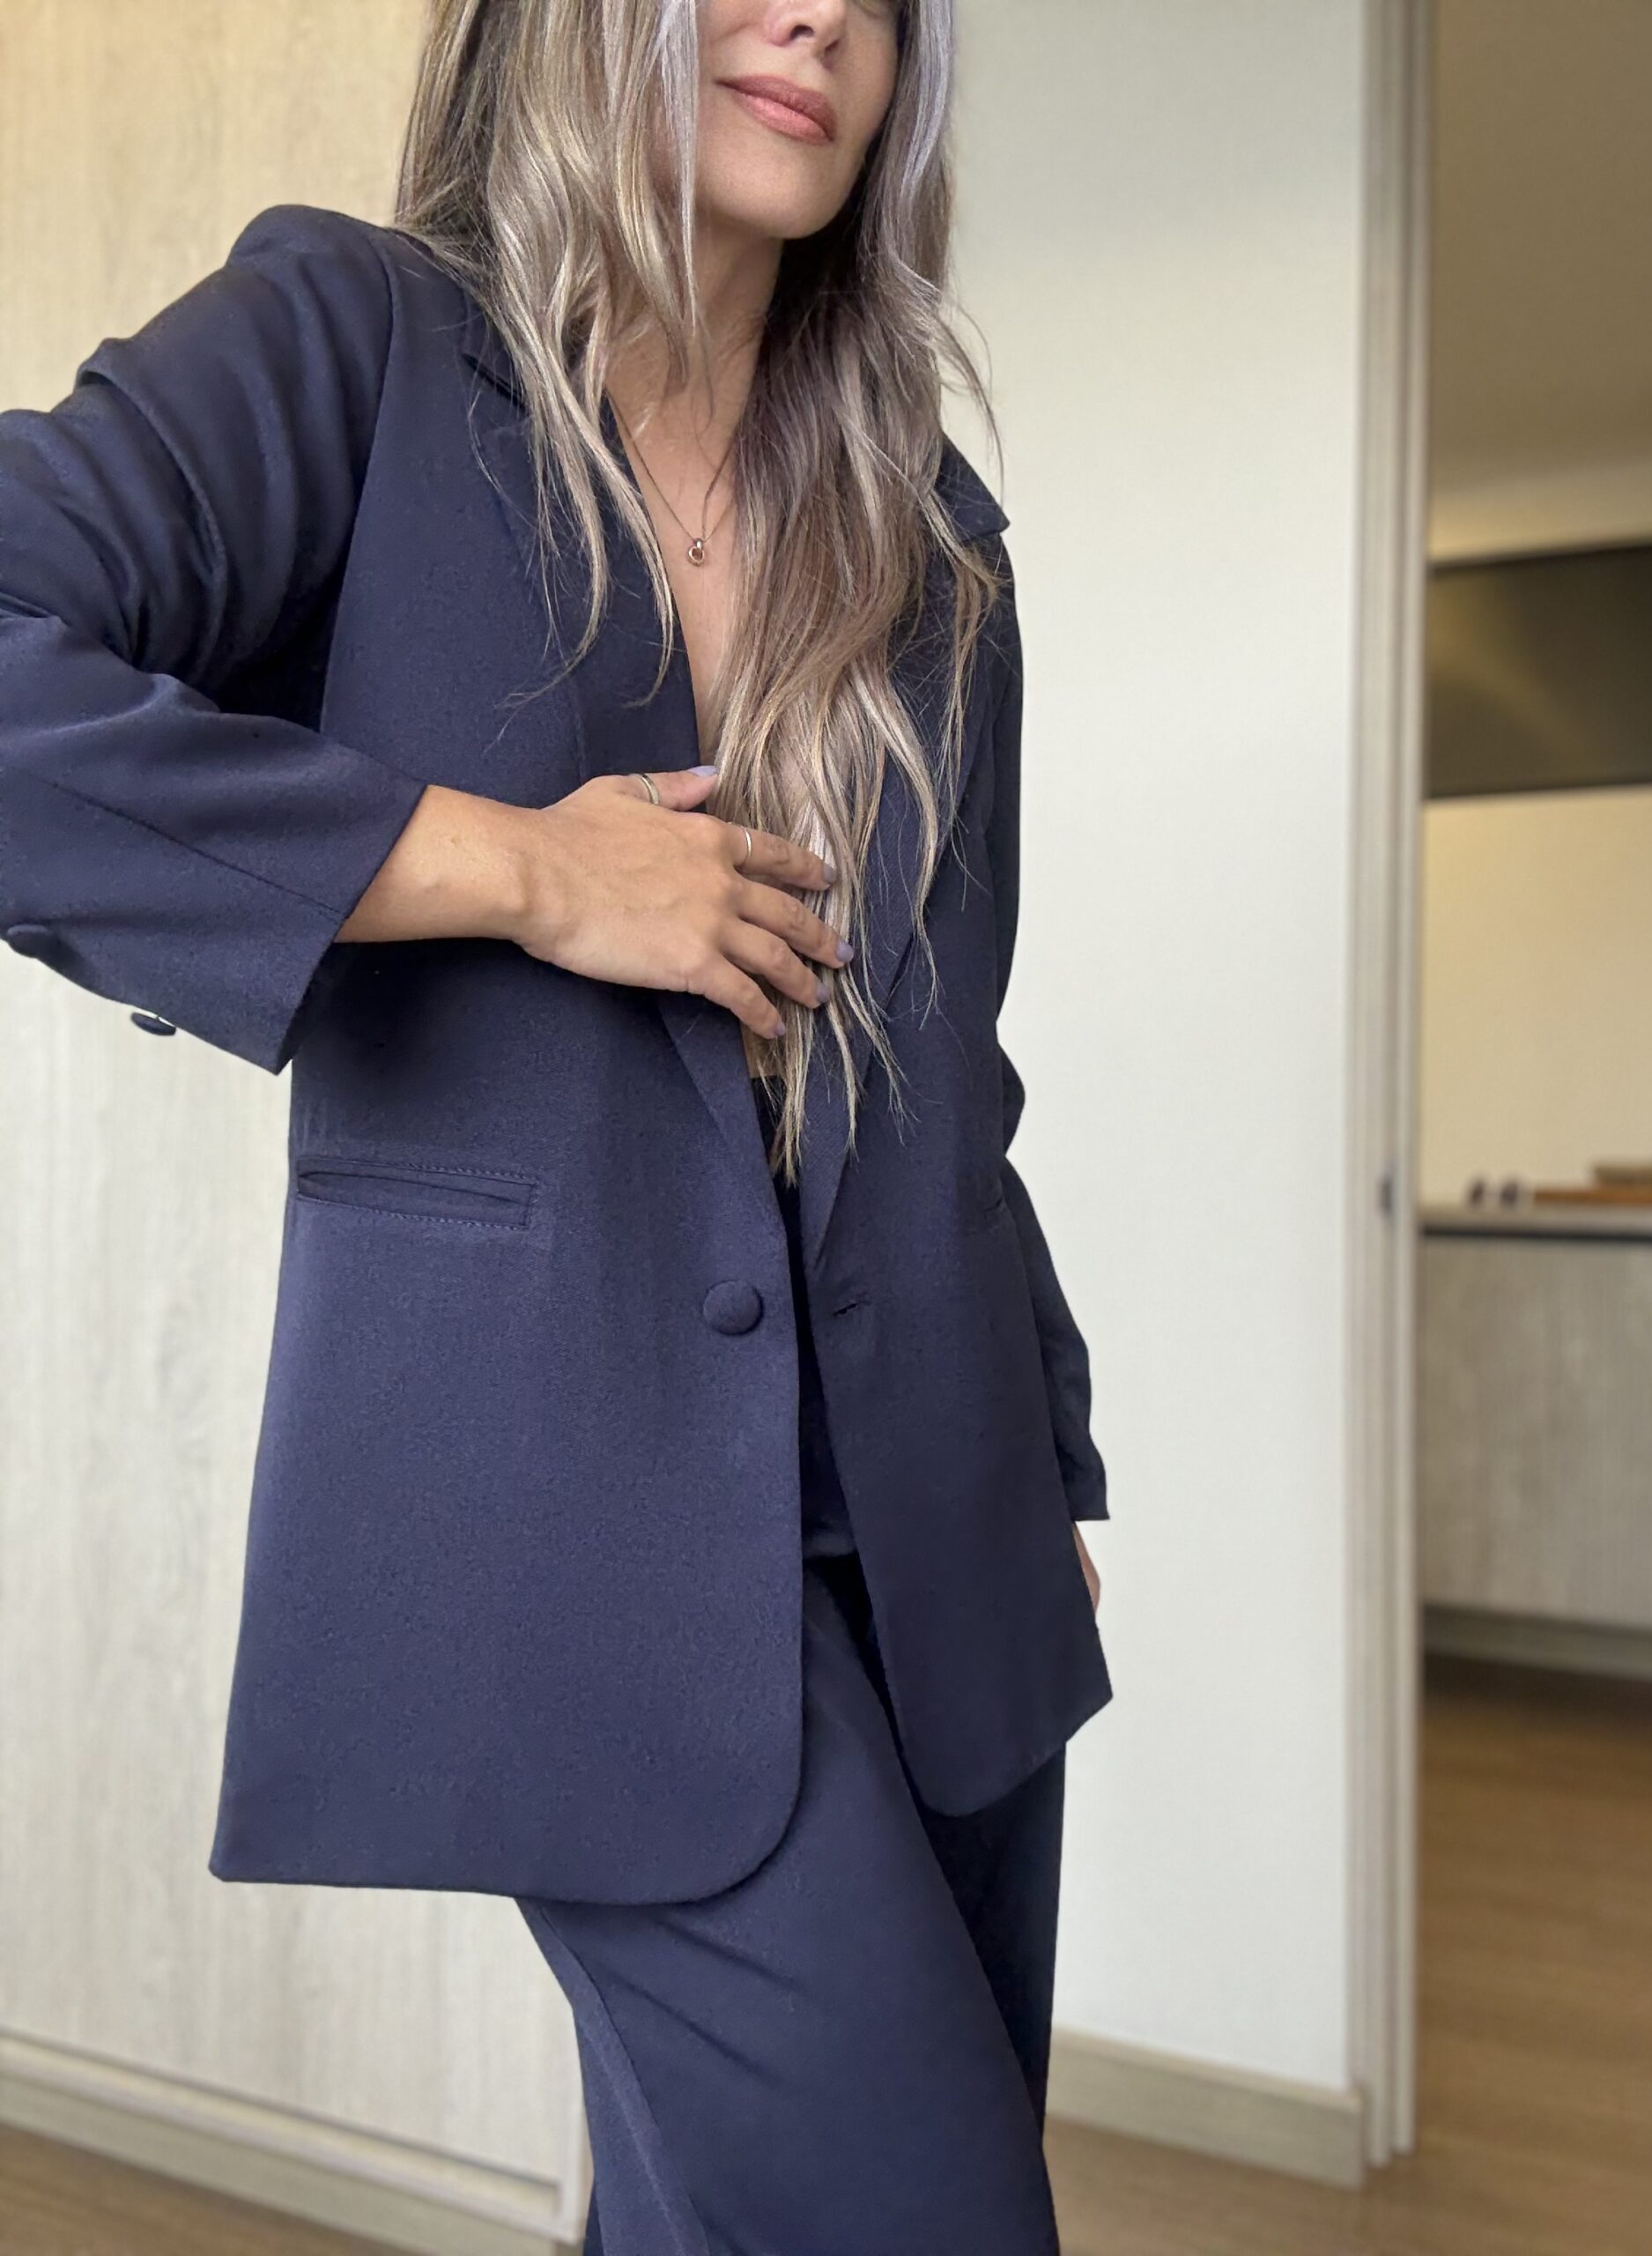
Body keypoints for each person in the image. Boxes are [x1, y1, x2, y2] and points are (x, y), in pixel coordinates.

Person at [0, 1, 1112, 2247]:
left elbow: (952, 1075)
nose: (823, 16)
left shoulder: (931, 533)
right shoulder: (360, 350)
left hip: (941, 1525)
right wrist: (524, 868)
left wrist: (1053, 1455)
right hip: (582, 1539)